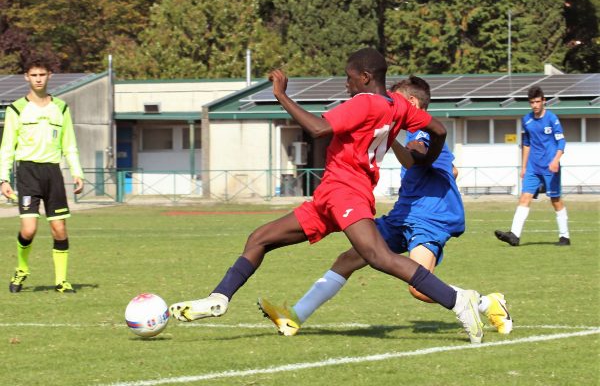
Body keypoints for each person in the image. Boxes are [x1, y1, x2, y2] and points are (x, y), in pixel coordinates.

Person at [169, 48, 485, 344]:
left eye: (348, 78)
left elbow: (319, 129)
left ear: (364, 77)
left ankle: (459, 301)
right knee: (260, 238)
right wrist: (425, 160)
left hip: (347, 194)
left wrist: (281, 96)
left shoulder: (364, 102)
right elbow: (439, 130)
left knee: (377, 257)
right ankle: (218, 299)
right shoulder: (397, 106)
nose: (346, 85)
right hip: (329, 196)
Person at [257, 76, 512, 337]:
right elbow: (452, 169)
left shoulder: (421, 132)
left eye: (395, 97)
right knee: (348, 259)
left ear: (411, 102)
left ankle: (485, 302)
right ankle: (295, 317)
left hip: (428, 220)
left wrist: (395, 142)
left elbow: (416, 155)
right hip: (403, 216)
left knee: (418, 289)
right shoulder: (415, 133)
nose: (389, 102)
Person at [0, 55, 84, 293]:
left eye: (42, 74)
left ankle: (61, 281)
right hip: (27, 171)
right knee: (29, 229)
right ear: (27, 77)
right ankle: (21, 269)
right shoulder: (16, 109)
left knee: (59, 229)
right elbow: (7, 147)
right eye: (34, 75)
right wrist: (3, 178)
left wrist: (77, 172)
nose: (38, 79)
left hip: (53, 173)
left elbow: (70, 144)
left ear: (50, 76)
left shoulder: (61, 108)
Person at [494, 86, 570, 247]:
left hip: (550, 167)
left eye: (537, 101)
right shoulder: (526, 120)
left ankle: (565, 236)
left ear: (544, 101)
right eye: (532, 102)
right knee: (524, 198)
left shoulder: (552, 119)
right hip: (533, 168)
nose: (535, 105)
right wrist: (523, 167)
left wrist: (556, 160)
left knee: (555, 200)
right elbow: (526, 144)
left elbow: (561, 142)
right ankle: (514, 235)